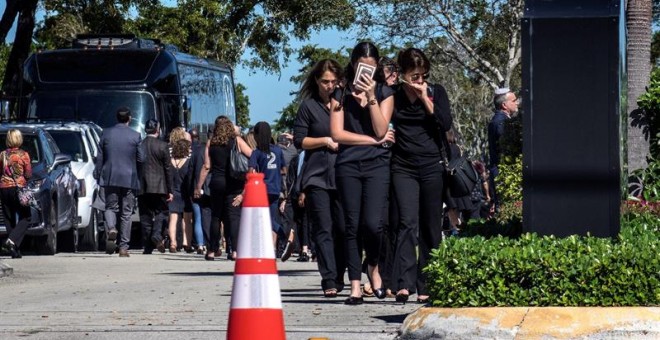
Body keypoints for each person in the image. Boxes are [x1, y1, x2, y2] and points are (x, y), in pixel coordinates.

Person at [330, 42, 395, 305]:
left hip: (377, 164)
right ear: (353, 64)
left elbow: (381, 130)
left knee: (373, 224)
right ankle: (355, 285)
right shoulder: (340, 92)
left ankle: (374, 264)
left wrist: (370, 99)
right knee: (351, 225)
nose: (366, 72)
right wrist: (370, 141)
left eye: (371, 67)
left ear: (377, 66)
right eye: (361, 67)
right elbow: (337, 134)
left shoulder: (385, 91)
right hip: (348, 163)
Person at [390, 47, 452, 304]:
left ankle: (426, 281)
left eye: (423, 75)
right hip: (403, 165)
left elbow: (445, 124)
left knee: (430, 224)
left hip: (431, 165)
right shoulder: (393, 96)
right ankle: (404, 282)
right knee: (407, 221)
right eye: (414, 76)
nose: (419, 81)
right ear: (403, 74)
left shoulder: (436, 92)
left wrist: (427, 99)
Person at [293, 59, 347, 297]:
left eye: (334, 82)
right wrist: (325, 141)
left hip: (344, 174)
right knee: (323, 228)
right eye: (325, 81)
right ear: (317, 81)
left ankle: (340, 273)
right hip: (316, 176)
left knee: (344, 228)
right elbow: (299, 140)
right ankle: (329, 279)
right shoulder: (308, 106)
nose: (330, 86)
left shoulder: (345, 103)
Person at [194, 116, 251, 261]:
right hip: (234, 182)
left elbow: (206, 166)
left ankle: (212, 250)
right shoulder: (236, 141)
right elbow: (251, 154)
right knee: (233, 217)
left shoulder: (211, 142)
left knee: (216, 216)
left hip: (217, 182)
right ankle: (235, 251)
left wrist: (198, 186)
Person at [94, 107, 143, 257]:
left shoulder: (106, 133)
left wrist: (98, 174)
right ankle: (123, 248)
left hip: (109, 176)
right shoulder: (136, 136)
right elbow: (142, 158)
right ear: (129, 119)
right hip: (129, 178)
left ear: (117, 118)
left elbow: (100, 157)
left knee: (110, 207)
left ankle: (111, 227)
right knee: (126, 213)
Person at [247, 121, 287, 256]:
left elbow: (251, 171)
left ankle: (284, 235)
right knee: (271, 218)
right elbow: (284, 169)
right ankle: (272, 247)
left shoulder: (257, 153)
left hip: (262, 189)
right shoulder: (278, 150)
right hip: (275, 188)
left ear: (257, 136)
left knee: (264, 219)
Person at [137, 119, 174, 254]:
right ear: (157, 130)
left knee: (145, 215)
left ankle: (148, 245)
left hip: (142, 185)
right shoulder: (163, 146)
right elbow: (167, 169)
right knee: (162, 212)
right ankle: (156, 235)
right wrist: (170, 190)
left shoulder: (140, 145)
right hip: (159, 186)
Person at [0, 129, 32, 259]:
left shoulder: (2, 155)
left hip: (3, 188)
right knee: (26, 216)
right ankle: (12, 240)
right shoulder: (24, 155)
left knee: (9, 217)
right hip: (18, 188)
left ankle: (14, 249)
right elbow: (28, 174)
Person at [488, 88, 519, 210]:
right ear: (504, 105)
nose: (517, 103)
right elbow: (506, 148)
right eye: (514, 100)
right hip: (502, 173)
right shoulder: (501, 122)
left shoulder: (500, 120)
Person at [167, 138, 193, 253]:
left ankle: (173, 243)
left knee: (173, 219)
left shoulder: (170, 161)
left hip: (173, 192)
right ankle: (186, 242)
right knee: (186, 220)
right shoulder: (187, 162)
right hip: (185, 194)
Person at [189, 128, 210, 254]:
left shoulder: (196, 152)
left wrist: (192, 187)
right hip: (210, 188)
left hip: (196, 186)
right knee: (209, 217)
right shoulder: (213, 150)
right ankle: (210, 243)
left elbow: (191, 171)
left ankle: (200, 244)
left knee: (197, 217)